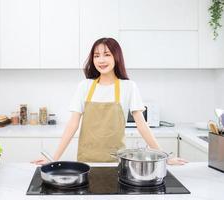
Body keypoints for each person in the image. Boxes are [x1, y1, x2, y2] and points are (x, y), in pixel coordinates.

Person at [32, 37, 188, 165]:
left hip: (117, 162)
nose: (101, 60)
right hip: (87, 162)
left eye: (106, 54)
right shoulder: (85, 86)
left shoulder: (128, 87)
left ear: (116, 56)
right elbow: (72, 125)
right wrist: (53, 158)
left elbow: (142, 126)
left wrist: (165, 157)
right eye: (96, 55)